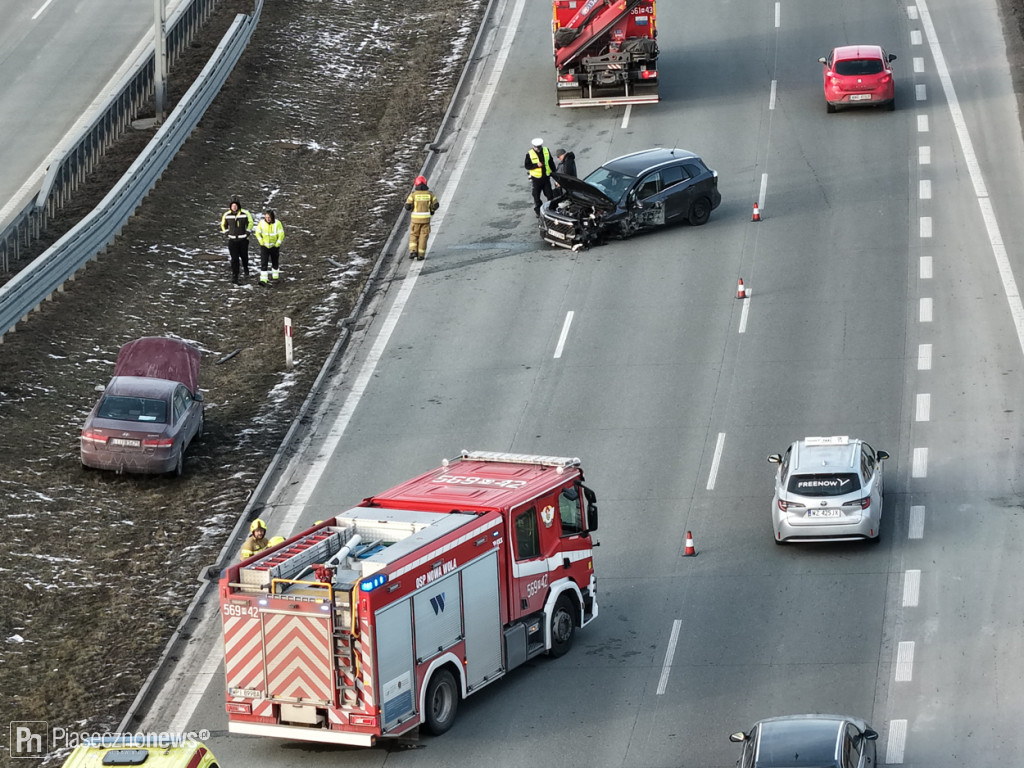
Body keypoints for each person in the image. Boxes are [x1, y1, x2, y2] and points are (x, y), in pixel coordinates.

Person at [404, 175, 439, 260]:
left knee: (414, 235)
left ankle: (413, 251)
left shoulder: (413, 195)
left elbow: (407, 206)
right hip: (426, 220)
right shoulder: (430, 194)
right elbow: (436, 205)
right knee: (424, 236)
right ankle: (421, 255)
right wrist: (431, 210)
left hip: (415, 220)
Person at [220, 197, 254, 285]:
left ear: (238, 206)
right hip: (232, 240)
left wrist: (248, 232)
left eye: (235, 205)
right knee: (234, 259)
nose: (234, 207)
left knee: (244, 256)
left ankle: (246, 268)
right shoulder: (227, 214)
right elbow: (223, 225)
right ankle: (235, 276)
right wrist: (227, 233)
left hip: (243, 240)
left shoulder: (245, 213)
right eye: (232, 206)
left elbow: (250, 222)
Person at [524, 137, 554, 216]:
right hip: (536, 179)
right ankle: (539, 211)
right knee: (536, 195)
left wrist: (554, 172)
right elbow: (527, 166)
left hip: (546, 177)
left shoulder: (546, 150)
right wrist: (536, 165)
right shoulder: (529, 154)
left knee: (550, 194)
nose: (538, 149)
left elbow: (550, 161)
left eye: (539, 147)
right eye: (537, 147)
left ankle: (551, 209)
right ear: (534, 147)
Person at [254, 210, 285, 285]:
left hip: (274, 246)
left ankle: (275, 277)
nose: (267, 219)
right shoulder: (262, 223)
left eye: (269, 217)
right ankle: (263, 279)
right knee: (264, 262)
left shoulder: (277, 223)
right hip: (264, 246)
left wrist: (277, 244)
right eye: (266, 217)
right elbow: (257, 233)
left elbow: (281, 234)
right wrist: (261, 242)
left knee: (275, 261)